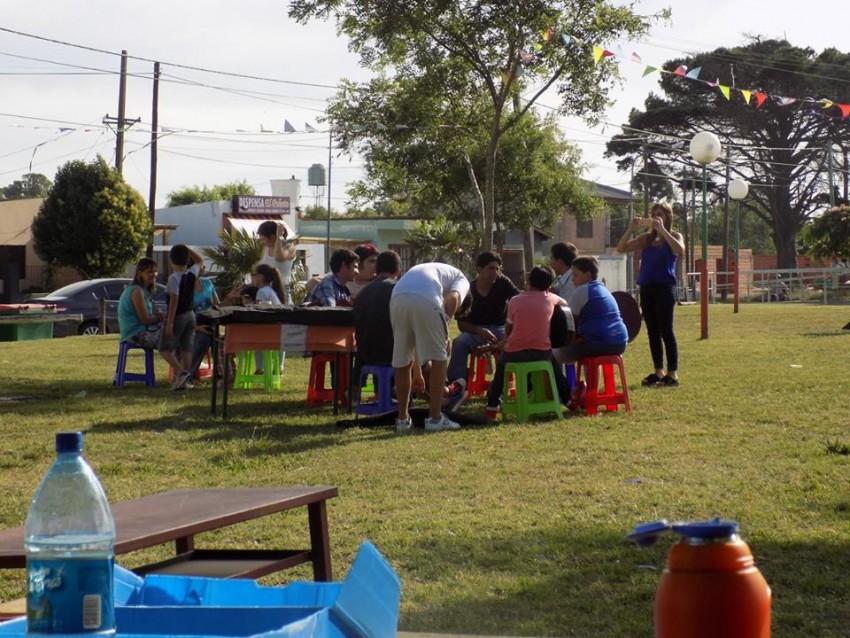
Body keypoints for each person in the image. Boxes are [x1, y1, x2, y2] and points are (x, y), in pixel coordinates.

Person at [390, 262, 471, 432]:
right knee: (440, 358)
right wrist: (445, 330)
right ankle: (435, 419)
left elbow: (415, 348)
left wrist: (418, 371)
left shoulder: (436, 272)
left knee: (402, 360)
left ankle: (402, 420)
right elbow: (454, 297)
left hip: (397, 297)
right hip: (426, 298)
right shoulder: (462, 279)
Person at [484, 266, 571, 422]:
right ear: (549, 285)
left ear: (529, 281)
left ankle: (492, 404)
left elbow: (509, 326)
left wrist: (505, 341)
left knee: (501, 370)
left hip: (515, 352)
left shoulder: (515, 300)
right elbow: (563, 302)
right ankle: (569, 399)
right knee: (554, 368)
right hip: (541, 352)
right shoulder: (550, 298)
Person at [616, 200, 685, 387]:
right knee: (652, 332)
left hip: (664, 288)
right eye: (654, 215)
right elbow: (621, 248)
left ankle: (673, 373)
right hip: (647, 288)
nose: (656, 218)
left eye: (660, 214)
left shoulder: (674, 235)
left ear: (668, 217)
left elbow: (679, 250)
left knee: (666, 330)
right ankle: (658, 371)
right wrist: (632, 228)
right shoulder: (646, 240)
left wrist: (663, 231)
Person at [444, 251, 519, 412]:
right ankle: (457, 385)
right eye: (491, 268)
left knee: (513, 344)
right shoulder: (468, 289)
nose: (495, 273)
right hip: (475, 331)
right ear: (479, 269)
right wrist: (479, 331)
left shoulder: (503, 283)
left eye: (497, 269)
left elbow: (519, 300)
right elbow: (462, 324)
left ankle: (502, 389)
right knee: (460, 342)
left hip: (500, 329)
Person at [118, 258, 188, 381]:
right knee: (167, 339)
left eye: (155, 271)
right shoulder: (136, 291)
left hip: (144, 330)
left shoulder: (144, 291)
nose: (154, 274)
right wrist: (159, 317)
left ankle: (180, 375)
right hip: (135, 333)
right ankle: (182, 373)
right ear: (140, 273)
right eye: (150, 272)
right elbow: (145, 319)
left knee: (177, 335)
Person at [560, 256, 628, 363]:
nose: (573, 279)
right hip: (620, 343)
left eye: (575, 275)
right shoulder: (603, 289)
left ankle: (561, 380)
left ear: (587, 275)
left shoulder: (583, 290)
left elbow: (569, 321)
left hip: (600, 343)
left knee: (554, 353)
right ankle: (592, 379)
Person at [162, 244, 204, 390]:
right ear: (187, 260)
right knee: (187, 348)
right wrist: (188, 250)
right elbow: (200, 261)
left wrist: (169, 324)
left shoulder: (173, 278)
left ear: (171, 260)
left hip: (178, 315)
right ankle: (186, 381)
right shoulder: (191, 273)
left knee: (164, 348)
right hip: (191, 314)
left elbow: (174, 301)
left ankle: (181, 373)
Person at [353, 250, 402, 368]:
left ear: (376, 270)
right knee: (427, 364)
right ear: (397, 271)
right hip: (392, 356)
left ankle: (369, 387)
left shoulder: (362, 293)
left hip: (365, 355)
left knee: (371, 381)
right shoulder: (398, 291)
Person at [187, 264, 220, 380]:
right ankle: (188, 375)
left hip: (210, 323)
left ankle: (220, 374)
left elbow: (217, 306)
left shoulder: (207, 283)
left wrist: (230, 298)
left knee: (220, 340)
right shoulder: (185, 287)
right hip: (193, 326)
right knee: (203, 340)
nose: (204, 267)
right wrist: (197, 328)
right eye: (200, 265)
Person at [257, 220, 297, 304]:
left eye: (263, 239)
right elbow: (261, 268)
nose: (262, 242)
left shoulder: (289, 248)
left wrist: (279, 236)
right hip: (266, 288)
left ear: (272, 237)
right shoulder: (265, 249)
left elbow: (279, 258)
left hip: (282, 289)